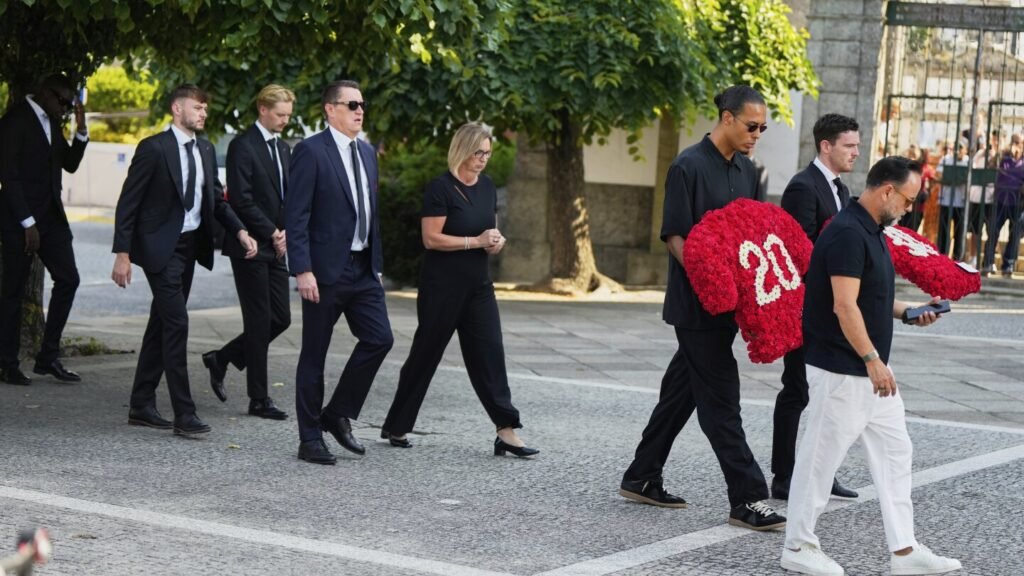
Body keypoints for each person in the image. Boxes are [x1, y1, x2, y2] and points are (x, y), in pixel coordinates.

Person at [780, 156, 961, 576]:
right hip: (844, 369)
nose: (910, 208)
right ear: (886, 191)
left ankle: (904, 550)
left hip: (868, 373)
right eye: (908, 199)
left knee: (897, 453)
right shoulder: (847, 233)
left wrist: (908, 311)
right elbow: (843, 306)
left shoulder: (872, 230)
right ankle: (798, 545)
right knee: (819, 459)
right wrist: (872, 359)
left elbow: (867, 300)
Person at [618, 85, 785, 531]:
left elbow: (753, 236)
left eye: (763, 128)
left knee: (681, 392)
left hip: (731, 307)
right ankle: (748, 498)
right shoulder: (687, 166)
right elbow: (675, 236)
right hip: (696, 307)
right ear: (727, 118)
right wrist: (712, 277)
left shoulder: (750, 170)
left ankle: (640, 475)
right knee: (721, 400)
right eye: (752, 126)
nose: (757, 134)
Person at [381, 122, 537, 457]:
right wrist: (475, 241)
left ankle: (506, 430)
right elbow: (431, 239)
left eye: (488, 153)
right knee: (425, 355)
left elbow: (489, 232)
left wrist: (494, 242)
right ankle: (397, 424)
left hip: (479, 285)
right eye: (478, 152)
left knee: (490, 355)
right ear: (463, 150)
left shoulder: (488, 186)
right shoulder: (440, 188)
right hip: (442, 287)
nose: (483, 159)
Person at [111, 84, 257, 437]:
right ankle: (184, 413)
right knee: (177, 323)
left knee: (162, 323)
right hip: (160, 248)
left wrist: (239, 231)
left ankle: (141, 404)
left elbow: (217, 202)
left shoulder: (205, 150)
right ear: (177, 109)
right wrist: (123, 254)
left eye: (206, 108)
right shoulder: (154, 148)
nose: (203, 113)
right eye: (198, 107)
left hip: (191, 248)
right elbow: (128, 203)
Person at [286, 80, 394, 465]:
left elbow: (371, 214)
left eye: (363, 104)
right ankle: (310, 438)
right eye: (352, 104)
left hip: (363, 269)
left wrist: (376, 265)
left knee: (380, 339)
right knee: (314, 353)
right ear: (330, 109)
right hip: (324, 271)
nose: (360, 110)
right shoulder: (310, 151)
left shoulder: (367, 153)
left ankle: (336, 412)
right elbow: (296, 216)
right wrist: (302, 269)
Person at [772, 113, 860, 502]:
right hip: (806, 308)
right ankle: (785, 475)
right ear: (826, 146)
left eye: (857, 145)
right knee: (796, 390)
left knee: (833, 395)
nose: (856, 152)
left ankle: (824, 471)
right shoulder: (802, 187)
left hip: (836, 308)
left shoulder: (842, 190)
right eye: (849, 146)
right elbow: (796, 250)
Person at [201, 84, 294, 421]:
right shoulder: (243, 146)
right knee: (258, 322)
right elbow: (241, 199)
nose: (285, 120)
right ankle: (259, 399)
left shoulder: (284, 149)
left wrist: (286, 235)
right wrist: (271, 231)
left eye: (288, 115)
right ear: (263, 109)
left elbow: (286, 199)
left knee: (280, 318)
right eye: (280, 114)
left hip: (276, 246)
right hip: (249, 246)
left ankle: (222, 358)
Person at [0, 74, 89, 385]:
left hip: (52, 221)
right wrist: (27, 222)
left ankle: (48, 357)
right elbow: (8, 176)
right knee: (11, 291)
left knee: (69, 279)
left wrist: (81, 131)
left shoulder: (52, 121)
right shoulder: (15, 121)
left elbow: (70, 164)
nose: (64, 109)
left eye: (69, 105)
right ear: (44, 92)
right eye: (62, 102)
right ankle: (7, 363)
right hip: (20, 223)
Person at [984, 134, 1024, 277]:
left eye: (1018, 142)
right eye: (1013, 141)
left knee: (1015, 235)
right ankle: (988, 264)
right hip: (1000, 201)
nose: (1016, 144)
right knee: (993, 231)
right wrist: (1002, 152)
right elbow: (990, 166)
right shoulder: (1003, 158)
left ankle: (1008, 265)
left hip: (1018, 204)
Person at [935, 140, 968, 259]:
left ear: (965, 150)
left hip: (961, 202)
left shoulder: (968, 161)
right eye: (956, 148)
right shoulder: (946, 159)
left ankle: (957, 257)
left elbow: (970, 178)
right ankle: (942, 255)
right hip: (946, 200)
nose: (958, 151)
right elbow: (938, 174)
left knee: (959, 232)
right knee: (944, 230)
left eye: (961, 148)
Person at [897, 148, 933, 232]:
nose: (911, 158)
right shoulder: (904, 167)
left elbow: (932, 184)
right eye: (910, 155)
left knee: (911, 230)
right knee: (900, 229)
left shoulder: (925, 169)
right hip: (904, 204)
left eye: (913, 155)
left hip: (918, 205)